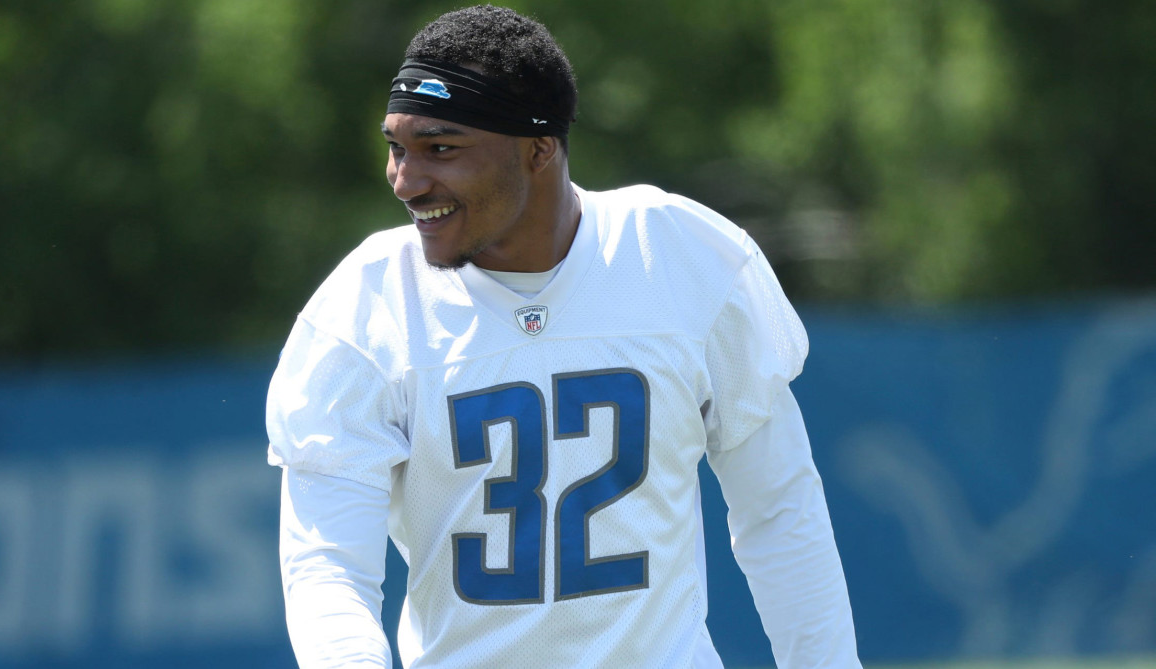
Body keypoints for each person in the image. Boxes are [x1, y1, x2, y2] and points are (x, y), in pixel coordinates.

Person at [267, 4, 861, 667]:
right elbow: (328, 568)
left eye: (440, 148)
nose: (406, 180)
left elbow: (780, 508)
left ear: (538, 149)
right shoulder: (364, 306)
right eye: (396, 147)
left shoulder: (683, 257)